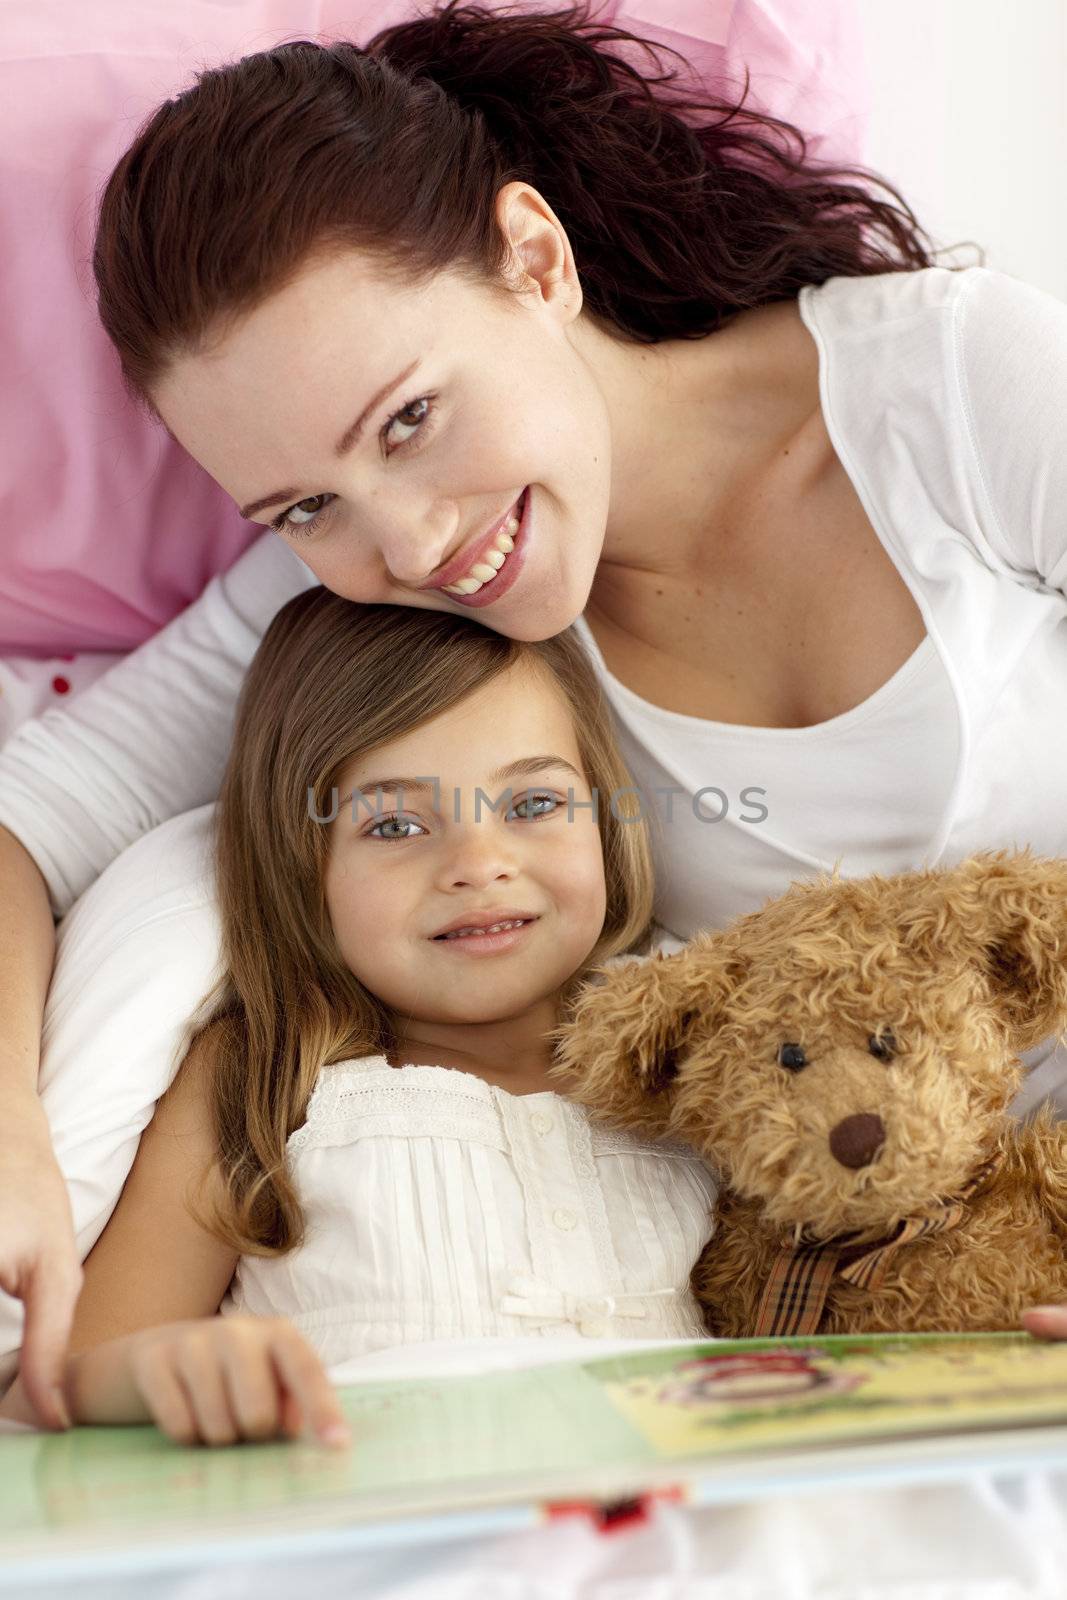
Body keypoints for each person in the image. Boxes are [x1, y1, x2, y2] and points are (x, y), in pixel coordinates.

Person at [2, 0, 1066, 1429]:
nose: (411, 545)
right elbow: (30, 813)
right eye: (303, 505)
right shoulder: (371, 596)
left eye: (409, 419)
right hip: (837, 1337)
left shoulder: (943, 390)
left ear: (534, 259)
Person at [0, 590, 717, 1444]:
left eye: (531, 807)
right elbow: (56, 1387)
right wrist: (160, 1374)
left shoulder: (698, 1056)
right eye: (396, 824)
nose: (478, 865)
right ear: (305, 870)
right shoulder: (264, 1079)